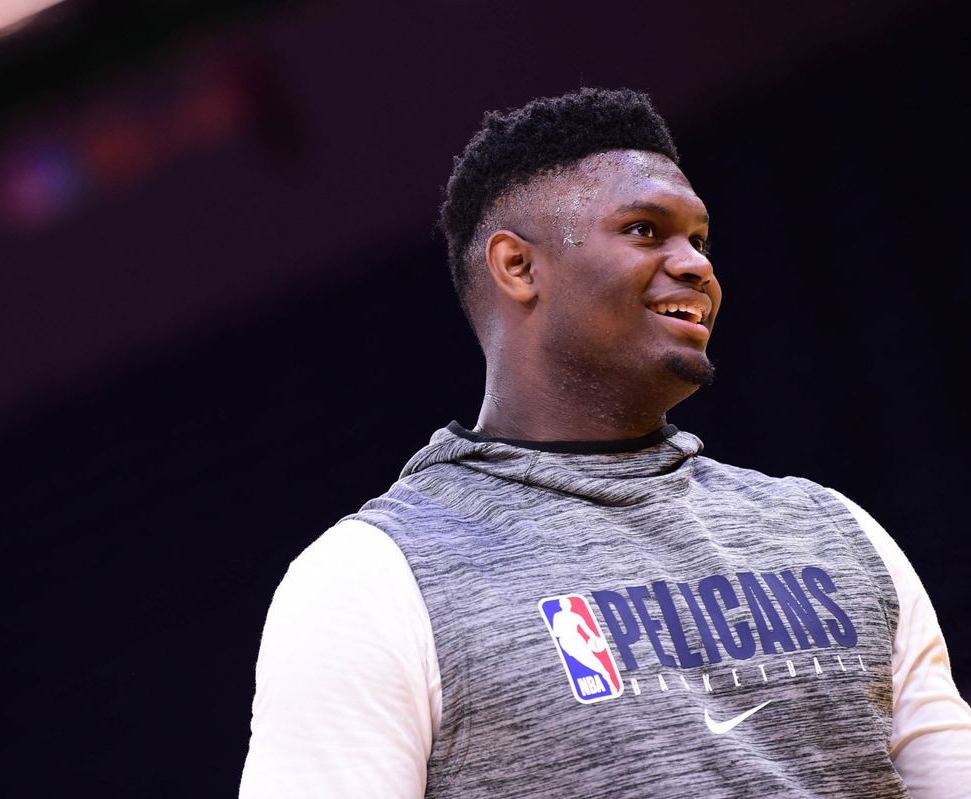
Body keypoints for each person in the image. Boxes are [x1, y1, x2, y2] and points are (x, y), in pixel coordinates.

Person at [239, 88, 971, 797]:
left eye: (700, 238)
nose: (697, 265)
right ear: (518, 266)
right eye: (646, 230)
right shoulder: (370, 579)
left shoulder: (834, 531)